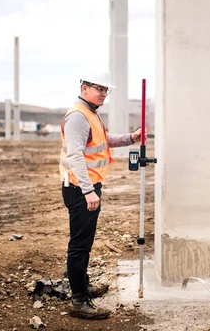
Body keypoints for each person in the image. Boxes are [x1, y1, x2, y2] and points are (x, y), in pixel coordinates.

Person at [59, 71, 142, 320]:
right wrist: (87, 191)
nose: (104, 94)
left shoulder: (91, 113)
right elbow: (75, 157)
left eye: (107, 90)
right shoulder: (78, 117)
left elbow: (103, 141)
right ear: (84, 88)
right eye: (99, 89)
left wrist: (131, 138)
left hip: (86, 187)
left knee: (84, 242)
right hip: (80, 188)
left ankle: (82, 287)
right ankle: (79, 301)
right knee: (80, 245)